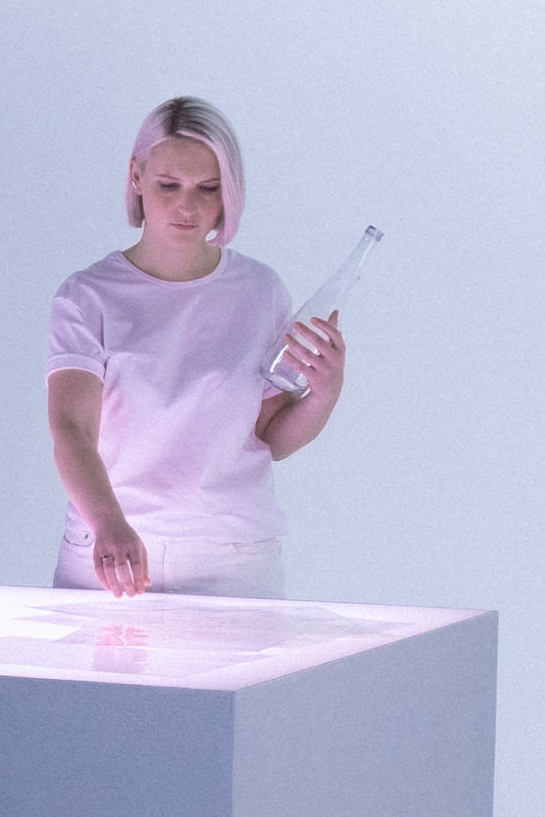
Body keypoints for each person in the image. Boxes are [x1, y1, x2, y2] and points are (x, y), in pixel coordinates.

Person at [44, 96, 346, 600]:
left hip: (232, 560)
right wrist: (109, 523)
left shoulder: (260, 291)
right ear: (136, 177)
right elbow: (71, 428)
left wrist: (323, 394)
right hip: (110, 554)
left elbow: (269, 438)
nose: (188, 207)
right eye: (169, 185)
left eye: (208, 189)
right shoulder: (88, 296)